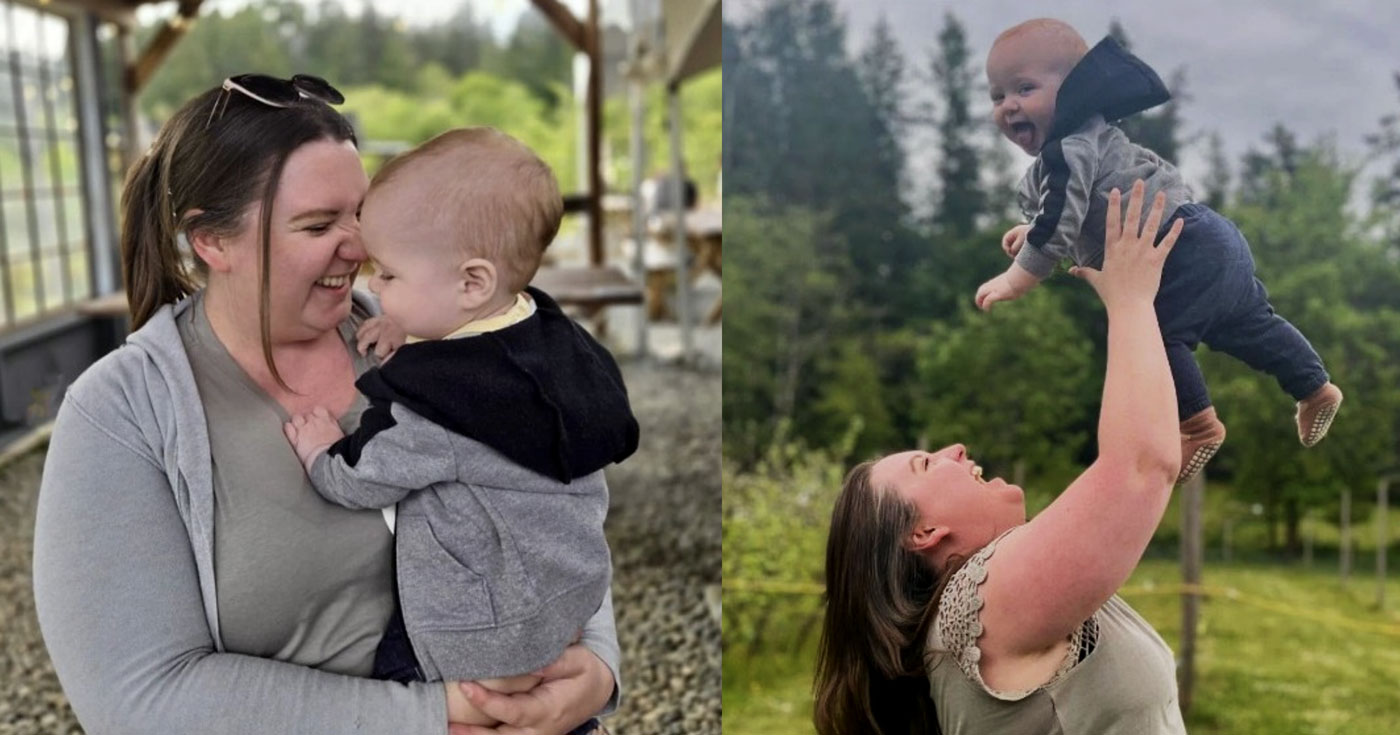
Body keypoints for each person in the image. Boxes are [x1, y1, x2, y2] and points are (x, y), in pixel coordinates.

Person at [31, 74, 619, 735]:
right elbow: (139, 700)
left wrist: (596, 668)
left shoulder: (434, 336)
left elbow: (549, 501)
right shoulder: (121, 413)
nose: (362, 247)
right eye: (317, 224)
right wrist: (431, 717)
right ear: (211, 241)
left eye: (360, 213)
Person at [282, 127, 639, 731]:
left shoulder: (445, 406)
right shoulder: (551, 337)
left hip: (478, 640)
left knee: (392, 680)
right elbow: (473, 333)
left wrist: (322, 451)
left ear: (471, 282)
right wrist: (412, 325)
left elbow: (363, 479)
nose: (373, 286)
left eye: (389, 275)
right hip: (565, 606)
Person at [816, 182, 1188, 735]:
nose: (955, 449)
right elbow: (1140, 467)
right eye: (926, 464)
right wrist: (1130, 297)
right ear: (923, 533)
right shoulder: (980, 612)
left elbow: (1149, 455)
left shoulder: (986, 615)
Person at [972, 19, 1342, 483]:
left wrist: (1020, 274)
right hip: (1210, 236)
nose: (1008, 105)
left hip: (1176, 252)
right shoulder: (1098, 138)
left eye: (1024, 88)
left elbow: (1063, 209)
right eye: (997, 96)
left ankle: (1198, 426)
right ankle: (1314, 386)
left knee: (1156, 334)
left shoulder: (1068, 146)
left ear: (1073, 88)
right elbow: (1079, 205)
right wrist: (1034, 231)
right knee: (1250, 323)